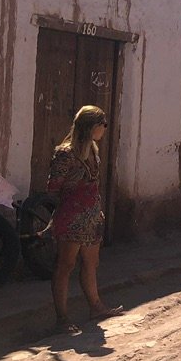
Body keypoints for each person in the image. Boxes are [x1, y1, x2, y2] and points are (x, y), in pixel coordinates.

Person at [47, 105, 123, 334]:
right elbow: (52, 186)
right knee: (66, 264)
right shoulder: (65, 153)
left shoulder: (93, 150)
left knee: (91, 262)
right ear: (93, 126)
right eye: (103, 125)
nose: (104, 129)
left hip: (90, 216)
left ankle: (96, 306)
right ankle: (62, 318)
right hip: (72, 216)